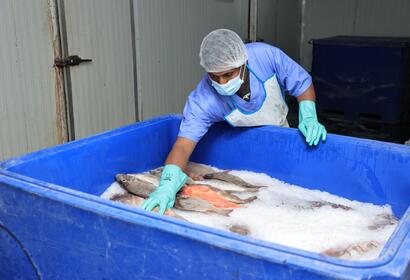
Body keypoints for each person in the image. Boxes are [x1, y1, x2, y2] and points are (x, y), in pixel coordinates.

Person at [141, 29, 327, 214]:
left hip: (280, 134)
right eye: (214, 77)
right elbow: (182, 145)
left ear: (243, 63)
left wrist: (309, 116)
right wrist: (166, 185)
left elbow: (302, 84)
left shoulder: (265, 56)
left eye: (228, 75)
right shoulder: (203, 100)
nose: (221, 83)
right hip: (242, 146)